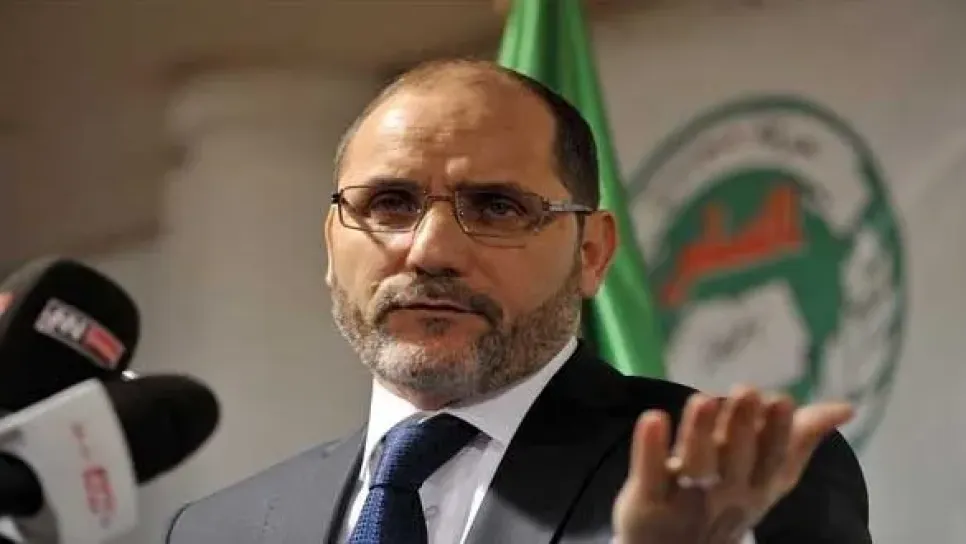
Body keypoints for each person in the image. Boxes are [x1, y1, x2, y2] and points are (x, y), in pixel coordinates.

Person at [166, 58, 873, 544]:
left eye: (497, 207)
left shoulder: (741, 482)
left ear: (591, 252)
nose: (430, 250)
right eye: (389, 203)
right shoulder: (216, 530)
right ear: (331, 244)